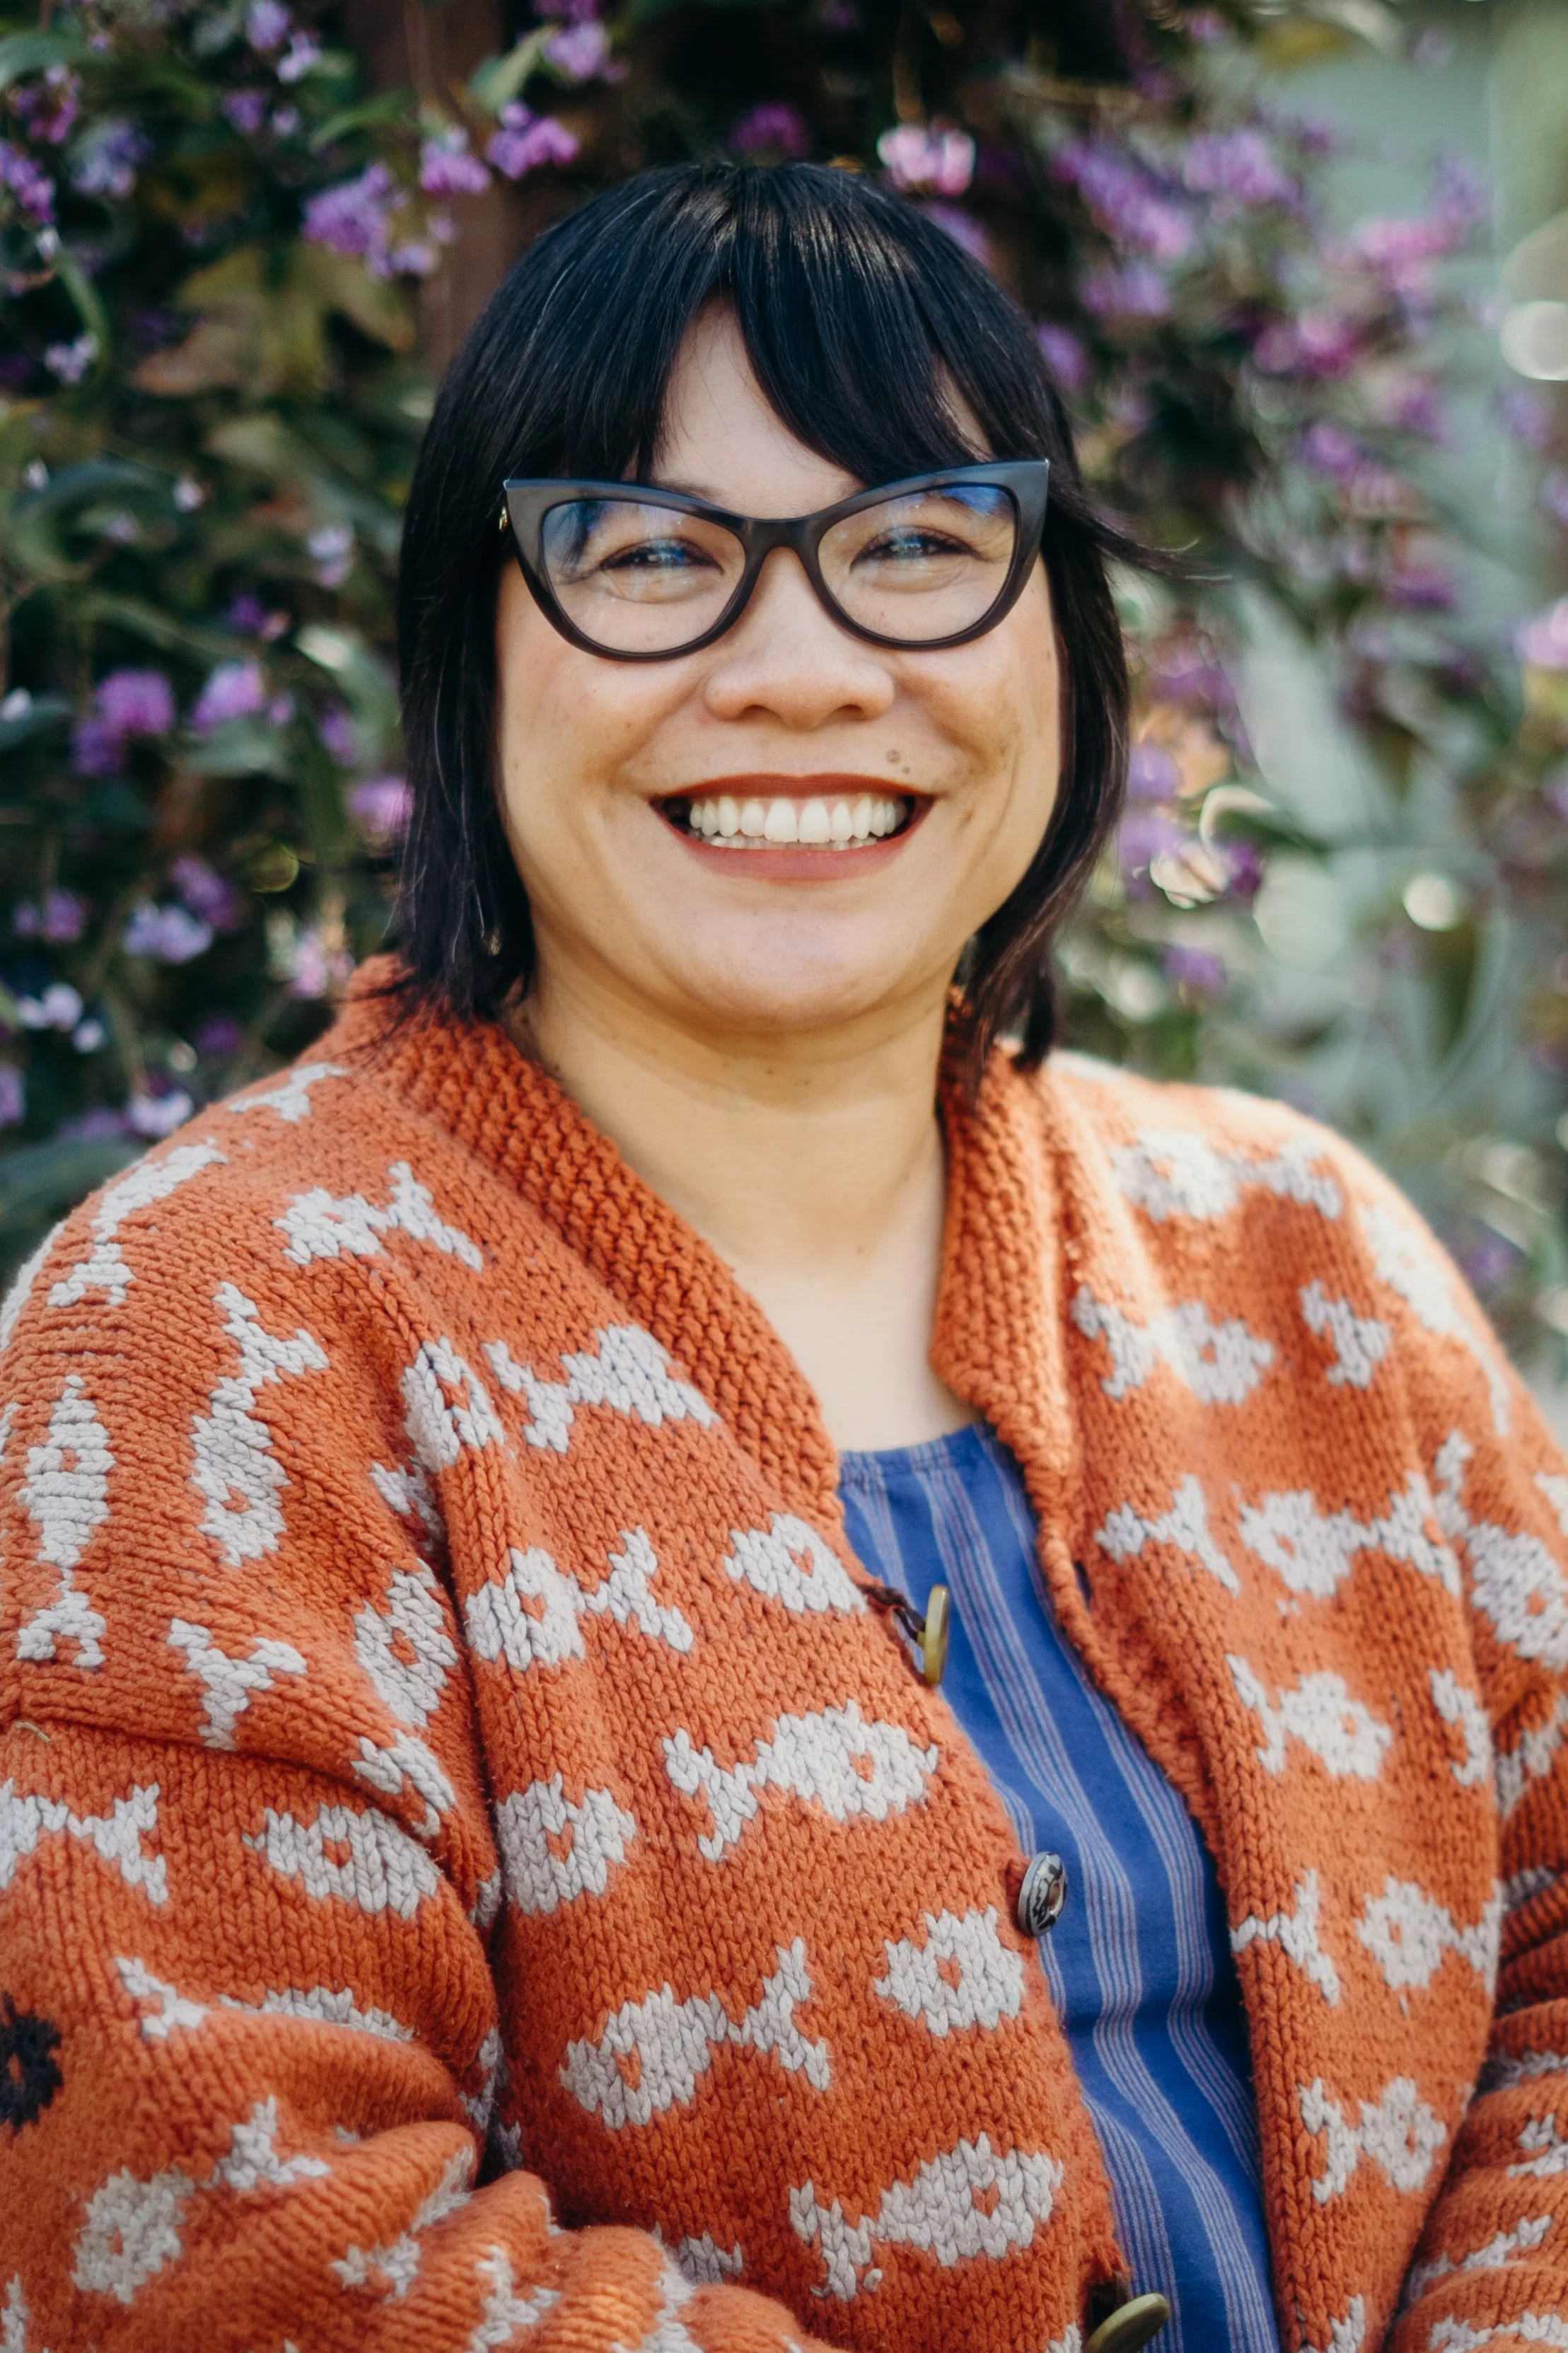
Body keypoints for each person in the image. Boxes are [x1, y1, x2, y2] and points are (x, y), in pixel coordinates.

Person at [1, 161, 1564, 2353]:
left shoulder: (1302, 1257)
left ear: (1062, 637)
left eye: (917, 546)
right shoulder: (211, 1333)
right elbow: (225, 2235)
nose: (805, 671)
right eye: (649, 557)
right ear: (471, 653)